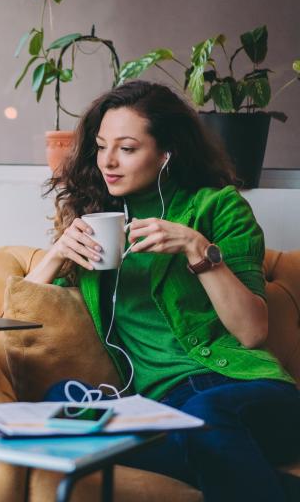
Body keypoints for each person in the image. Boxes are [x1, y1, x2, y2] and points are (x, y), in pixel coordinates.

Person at [24, 80, 300, 502]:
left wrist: (197, 249)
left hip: (244, 389)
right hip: (161, 406)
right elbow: (22, 318)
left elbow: (252, 332)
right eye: (101, 146)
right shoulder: (98, 224)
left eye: (127, 148)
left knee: (206, 414)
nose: (108, 162)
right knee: (62, 405)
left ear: (166, 152)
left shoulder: (219, 206)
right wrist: (57, 254)